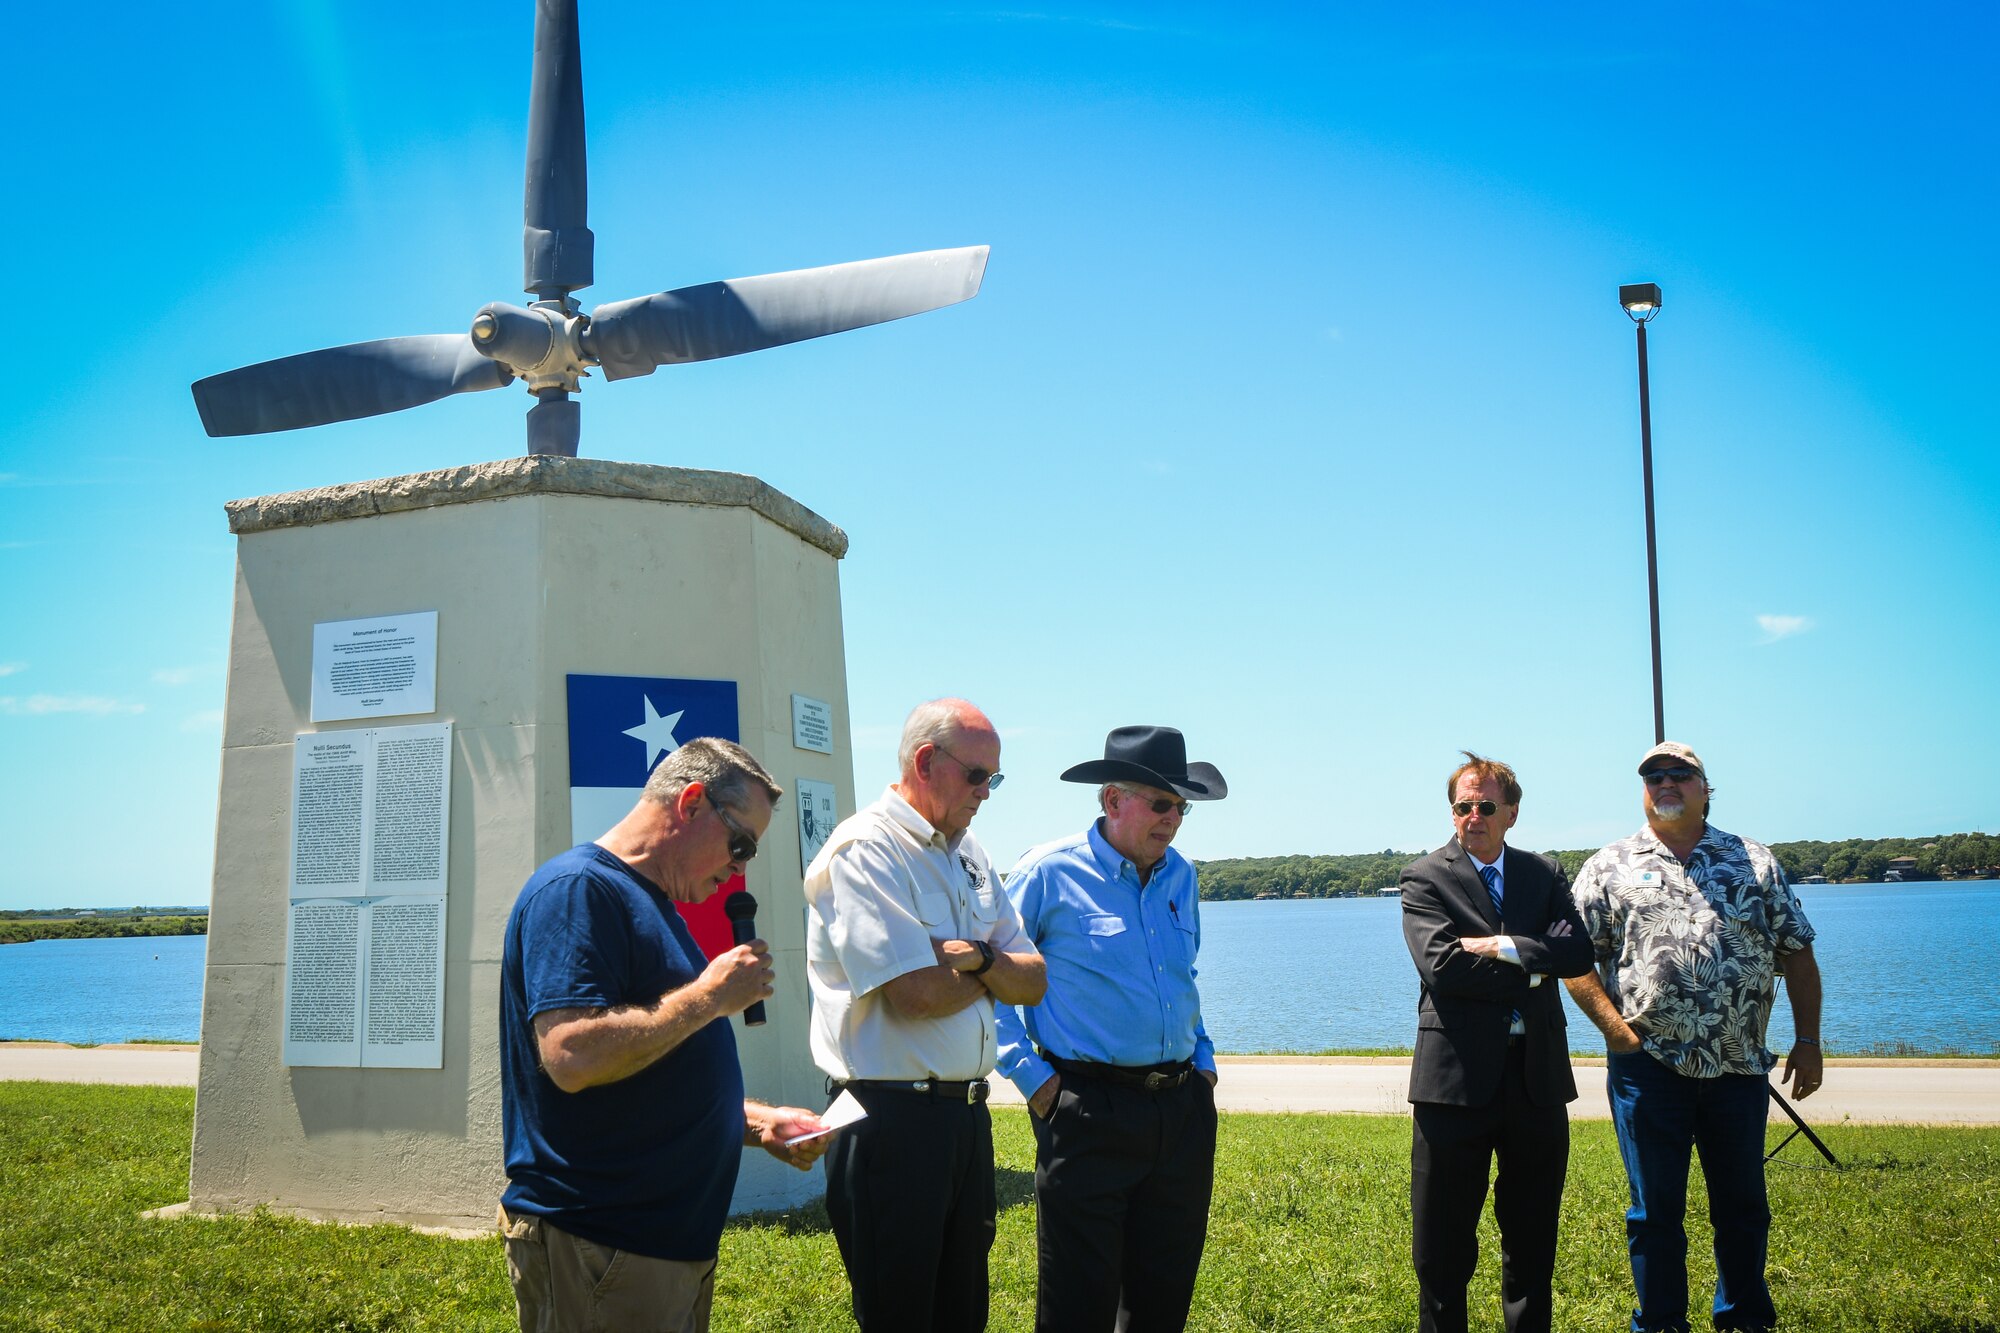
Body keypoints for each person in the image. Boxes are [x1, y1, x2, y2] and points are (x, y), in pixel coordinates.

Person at [498, 737, 832, 1333]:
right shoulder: (578, 891)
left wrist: (759, 1124)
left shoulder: (652, 903)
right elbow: (571, 1055)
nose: (741, 867)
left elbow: (655, 1076)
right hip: (601, 1243)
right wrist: (708, 998)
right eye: (741, 843)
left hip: (660, 1249)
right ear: (692, 803)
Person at [804, 698, 1047, 1331]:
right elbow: (913, 997)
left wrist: (972, 959)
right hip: (889, 1122)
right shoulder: (866, 851)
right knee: (901, 1315)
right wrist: (993, 971)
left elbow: (1035, 979)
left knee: (963, 1315)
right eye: (976, 776)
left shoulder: (967, 853)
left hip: (964, 1120)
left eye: (995, 778)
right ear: (924, 762)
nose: (986, 793)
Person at [1565, 742, 1824, 1333]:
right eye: (1654, 776)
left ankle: (1743, 1319)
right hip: (1647, 1068)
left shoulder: (1752, 861)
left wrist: (1808, 1041)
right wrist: (1617, 1033)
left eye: (1680, 774)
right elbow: (1576, 961)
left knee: (1742, 1207)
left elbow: (1799, 954)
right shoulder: (1610, 866)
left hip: (1737, 1066)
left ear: (1707, 788)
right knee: (1654, 1212)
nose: (1666, 783)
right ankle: (1659, 1324)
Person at [996, 725, 1228, 1332]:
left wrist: (1202, 1062)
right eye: (1161, 803)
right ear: (1112, 800)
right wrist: (1037, 1083)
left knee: (1163, 1300)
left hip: (1180, 1112)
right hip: (1085, 1110)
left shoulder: (1182, 875)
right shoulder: (1047, 873)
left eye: (1182, 807)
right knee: (1079, 1304)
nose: (1173, 819)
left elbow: (1184, 976)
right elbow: (986, 985)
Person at [1400, 751, 1593, 1333]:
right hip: (1453, 1085)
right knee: (1442, 1252)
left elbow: (1579, 953)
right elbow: (1445, 969)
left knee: (1533, 1246)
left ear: (1511, 812)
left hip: (1536, 1082)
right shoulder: (1425, 877)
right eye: (1463, 806)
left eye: (1486, 806)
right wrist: (1537, 959)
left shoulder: (1544, 874)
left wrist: (1502, 947)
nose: (1473, 816)